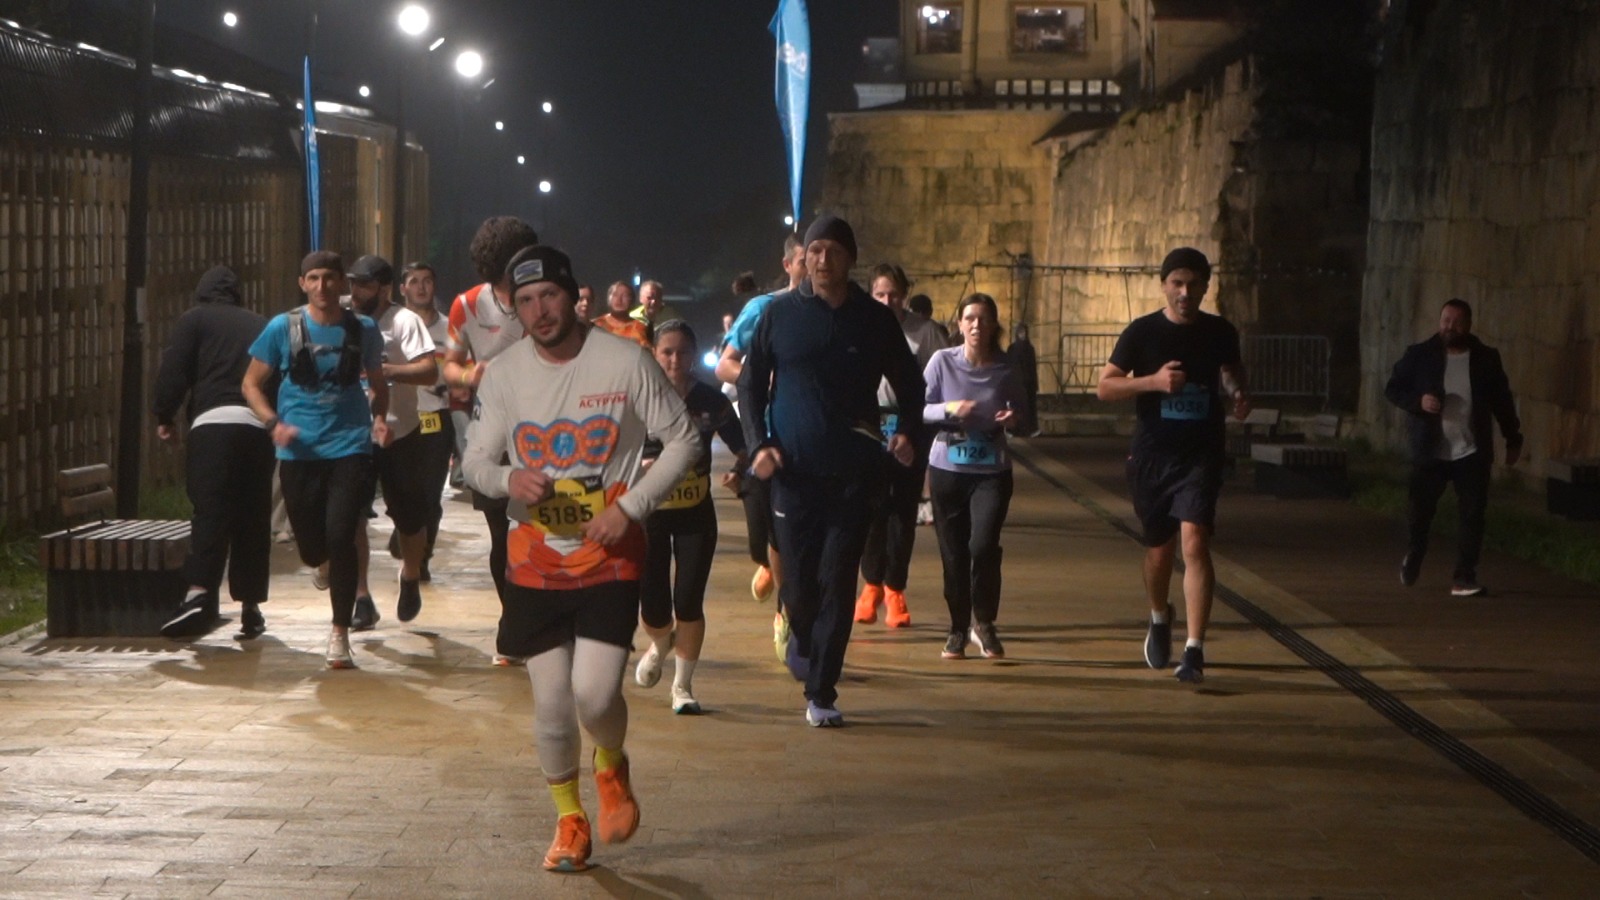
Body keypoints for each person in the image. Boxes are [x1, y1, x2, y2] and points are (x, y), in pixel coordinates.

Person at [462, 244, 697, 873]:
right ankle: (569, 820)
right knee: (551, 704)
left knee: (594, 696)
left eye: (549, 295)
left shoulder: (624, 360)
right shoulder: (505, 373)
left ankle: (611, 764)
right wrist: (508, 478)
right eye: (525, 301)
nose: (539, 311)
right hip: (534, 556)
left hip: (609, 553)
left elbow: (683, 439)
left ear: (572, 295)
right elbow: (474, 460)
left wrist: (633, 507)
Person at [738, 214, 924, 727]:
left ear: (850, 259)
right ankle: (799, 630)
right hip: (792, 474)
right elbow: (751, 384)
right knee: (799, 590)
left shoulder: (874, 320)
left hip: (853, 475)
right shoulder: (780, 315)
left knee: (838, 581)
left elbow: (911, 385)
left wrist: (908, 432)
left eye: (833, 251)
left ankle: (822, 692)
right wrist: (758, 445)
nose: (823, 260)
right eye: (814, 251)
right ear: (803, 258)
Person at [1095, 247, 1250, 685]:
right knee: (1159, 550)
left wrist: (1238, 392)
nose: (1185, 292)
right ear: (1163, 285)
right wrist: (1153, 382)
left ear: (1205, 287)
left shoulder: (1220, 331)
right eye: (1177, 283)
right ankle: (1159, 616)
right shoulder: (1142, 332)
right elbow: (1105, 387)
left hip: (1201, 452)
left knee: (1195, 542)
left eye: (1194, 284)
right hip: (1152, 455)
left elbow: (1231, 370)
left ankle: (1194, 649)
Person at [242, 251, 388, 668]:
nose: (322, 286)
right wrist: (273, 423)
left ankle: (340, 633)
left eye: (330, 278)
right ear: (302, 283)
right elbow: (251, 383)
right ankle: (319, 562)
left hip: (349, 445)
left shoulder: (363, 330)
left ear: (342, 283)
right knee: (310, 545)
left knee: (342, 535)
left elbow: (378, 383)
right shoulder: (282, 328)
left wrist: (379, 419)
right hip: (299, 448)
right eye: (314, 278)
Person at [154, 266, 274, 639]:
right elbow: (277, 376)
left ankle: (198, 592)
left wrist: (164, 415)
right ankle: (250, 607)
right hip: (256, 428)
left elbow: (174, 370)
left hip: (212, 426)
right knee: (253, 516)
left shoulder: (194, 320)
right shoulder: (261, 324)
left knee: (210, 510)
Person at [440, 216, 540, 663]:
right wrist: (469, 374)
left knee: (535, 527)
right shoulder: (466, 305)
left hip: (543, 426)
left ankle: (541, 618)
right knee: (501, 533)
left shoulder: (541, 298)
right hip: (491, 430)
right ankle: (513, 624)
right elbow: (448, 365)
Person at [634, 320, 746, 714]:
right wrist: (640, 467)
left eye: (683, 351)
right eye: (667, 351)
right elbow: (608, 449)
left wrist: (740, 472)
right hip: (648, 513)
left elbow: (743, 445)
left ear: (694, 355)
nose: (675, 359)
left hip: (696, 512)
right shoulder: (637, 398)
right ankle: (660, 642)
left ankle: (682, 687)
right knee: (653, 605)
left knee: (689, 600)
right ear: (653, 353)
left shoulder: (711, 401)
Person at [1384, 298, 1522, 596]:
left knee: (1472, 514)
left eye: (1457, 322)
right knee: (1419, 512)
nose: (1450, 327)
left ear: (1468, 325)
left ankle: (1464, 576)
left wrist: (1513, 437)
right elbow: (1393, 388)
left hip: (1471, 451)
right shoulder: (1419, 355)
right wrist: (1419, 401)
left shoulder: (1485, 359)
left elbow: (1502, 400)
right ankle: (1415, 552)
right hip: (1429, 450)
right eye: (1446, 320)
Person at [715, 233, 807, 662]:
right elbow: (725, 365)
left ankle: (792, 612)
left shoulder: (839, 312)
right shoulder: (763, 309)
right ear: (788, 265)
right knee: (767, 538)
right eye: (806, 259)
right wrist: (763, 380)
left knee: (802, 536)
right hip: (767, 438)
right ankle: (774, 575)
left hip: (812, 441)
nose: (817, 266)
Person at [923, 294, 1027, 659]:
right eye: (969, 318)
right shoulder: (942, 362)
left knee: (982, 546)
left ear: (994, 325)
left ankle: (983, 622)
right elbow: (919, 408)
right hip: (948, 469)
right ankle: (957, 627)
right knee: (953, 553)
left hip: (991, 469)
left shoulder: (1007, 368)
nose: (976, 325)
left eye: (983, 319)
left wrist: (1013, 419)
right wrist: (950, 408)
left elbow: (1026, 415)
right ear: (960, 324)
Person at [346, 255, 437, 629]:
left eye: (365, 285)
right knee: (351, 516)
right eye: (353, 283)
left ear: (384, 289)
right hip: (353, 435)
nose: (356, 292)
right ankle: (361, 596)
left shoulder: (404, 321)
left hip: (400, 433)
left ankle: (410, 575)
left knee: (409, 517)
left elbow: (429, 370)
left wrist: (387, 371)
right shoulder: (343, 318)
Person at [853, 263, 946, 629]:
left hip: (911, 424)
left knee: (903, 511)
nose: (887, 301)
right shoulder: (862, 326)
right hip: (871, 424)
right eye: (880, 294)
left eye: (893, 294)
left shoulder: (925, 332)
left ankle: (895, 587)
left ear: (905, 295)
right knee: (870, 509)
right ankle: (871, 584)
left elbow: (939, 382)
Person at [398, 261, 453, 580]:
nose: (421, 287)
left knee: (431, 493)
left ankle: (422, 557)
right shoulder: (392, 327)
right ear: (403, 288)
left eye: (427, 281)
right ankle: (406, 536)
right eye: (414, 281)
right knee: (402, 492)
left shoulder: (450, 329)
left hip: (436, 418)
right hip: (398, 418)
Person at [592, 281, 650, 347]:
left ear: (632, 301)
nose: (619, 300)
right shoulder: (595, 325)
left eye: (625, 296)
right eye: (615, 295)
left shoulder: (641, 327)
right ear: (608, 298)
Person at [1010, 323, 1040, 436]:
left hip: (1028, 383)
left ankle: (1030, 430)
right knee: (1016, 408)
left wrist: (1035, 384)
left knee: (1029, 407)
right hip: (1016, 383)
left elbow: (1032, 367)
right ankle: (1014, 429)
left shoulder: (1030, 349)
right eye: (1020, 332)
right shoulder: (1012, 348)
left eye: (1024, 332)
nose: (1022, 335)